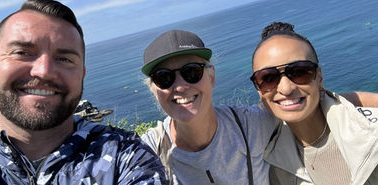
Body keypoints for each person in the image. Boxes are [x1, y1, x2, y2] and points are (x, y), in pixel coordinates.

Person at [0, 0, 168, 185]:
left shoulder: (124, 157)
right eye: (22, 53)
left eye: (65, 59)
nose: (44, 71)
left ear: (82, 74)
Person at [140, 29, 377, 185]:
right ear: (153, 89)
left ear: (211, 77)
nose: (180, 86)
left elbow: (303, 105)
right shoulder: (146, 152)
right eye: (164, 78)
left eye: (192, 72)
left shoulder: (252, 125)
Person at [250, 22, 378, 185]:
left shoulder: (372, 134)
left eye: (299, 72)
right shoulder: (269, 166)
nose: (285, 88)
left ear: (319, 77)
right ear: (259, 90)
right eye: (268, 78)